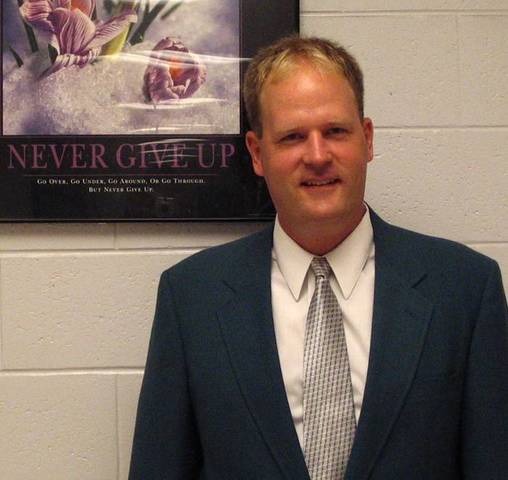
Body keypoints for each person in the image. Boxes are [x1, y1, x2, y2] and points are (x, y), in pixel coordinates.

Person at [129, 36, 508, 479]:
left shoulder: (465, 290)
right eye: (293, 137)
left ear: (367, 139)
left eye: (335, 132)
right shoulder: (191, 298)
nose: (317, 155)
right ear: (257, 153)